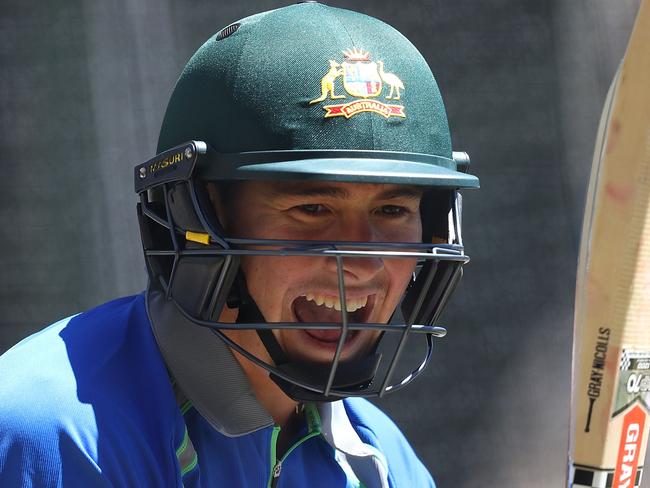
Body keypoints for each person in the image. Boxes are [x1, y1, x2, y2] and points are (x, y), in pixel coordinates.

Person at [0, 3, 479, 487]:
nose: (360, 263)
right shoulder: (59, 431)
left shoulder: (378, 456)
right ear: (198, 217)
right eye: (312, 210)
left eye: (392, 212)